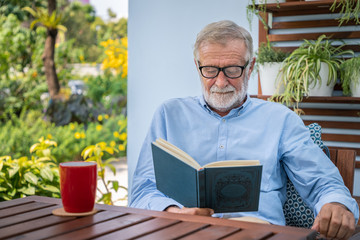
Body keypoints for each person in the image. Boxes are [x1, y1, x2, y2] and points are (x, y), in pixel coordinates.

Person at [130, 20, 359, 239]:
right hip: (186, 233)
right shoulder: (168, 115)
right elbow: (142, 191)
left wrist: (336, 205)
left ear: (250, 67)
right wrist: (174, 213)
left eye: (232, 70)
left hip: (259, 234)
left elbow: (322, 182)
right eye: (210, 70)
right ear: (197, 67)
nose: (220, 82)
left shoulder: (280, 120)